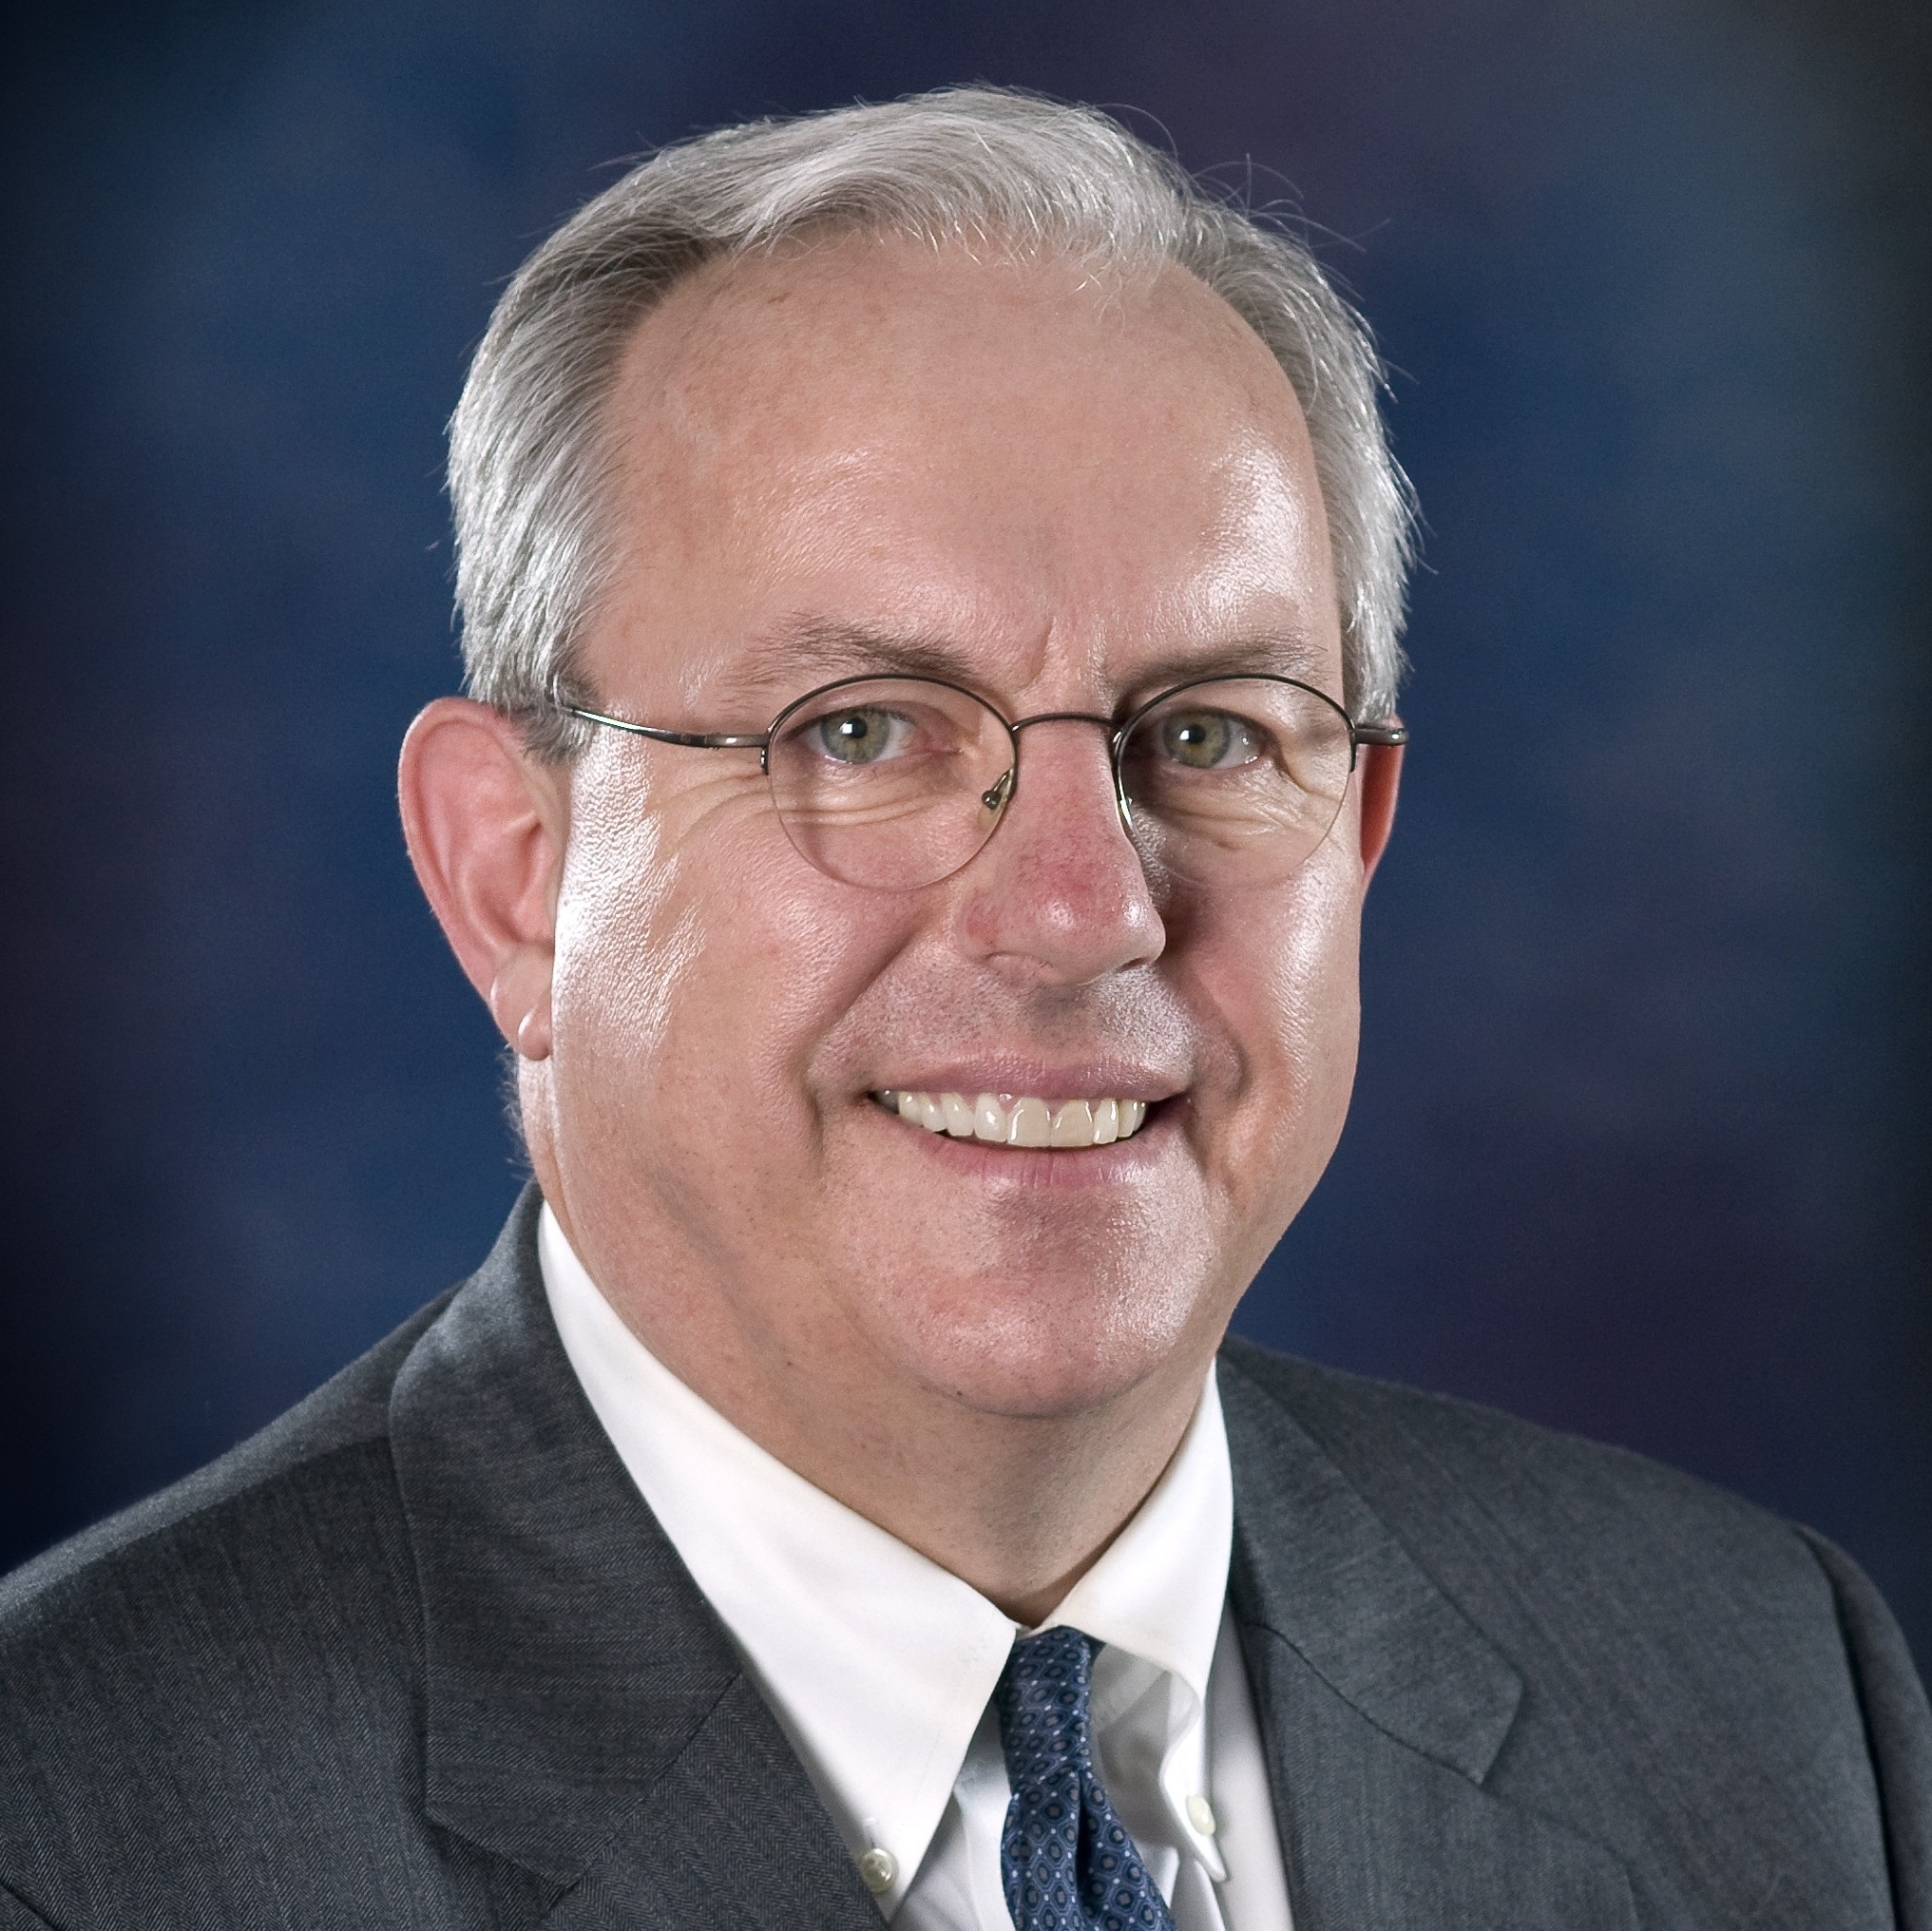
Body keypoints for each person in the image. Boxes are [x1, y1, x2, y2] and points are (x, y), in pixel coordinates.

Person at [0, 86, 1924, 1931]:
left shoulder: (1763, 1697)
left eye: (1207, 734)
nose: (1082, 912)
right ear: (514, 869)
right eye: (861, 732)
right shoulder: (72, 1831)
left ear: (1355, 835)